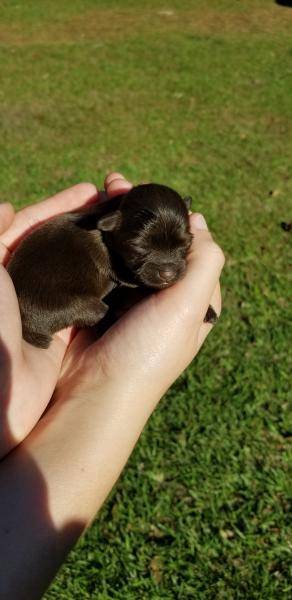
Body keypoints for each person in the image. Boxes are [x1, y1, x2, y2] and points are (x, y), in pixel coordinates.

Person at [0, 173, 224, 599]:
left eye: (179, 250)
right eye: (145, 253)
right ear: (110, 227)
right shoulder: (94, 241)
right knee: (100, 305)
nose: (168, 266)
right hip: (47, 302)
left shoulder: (110, 235)